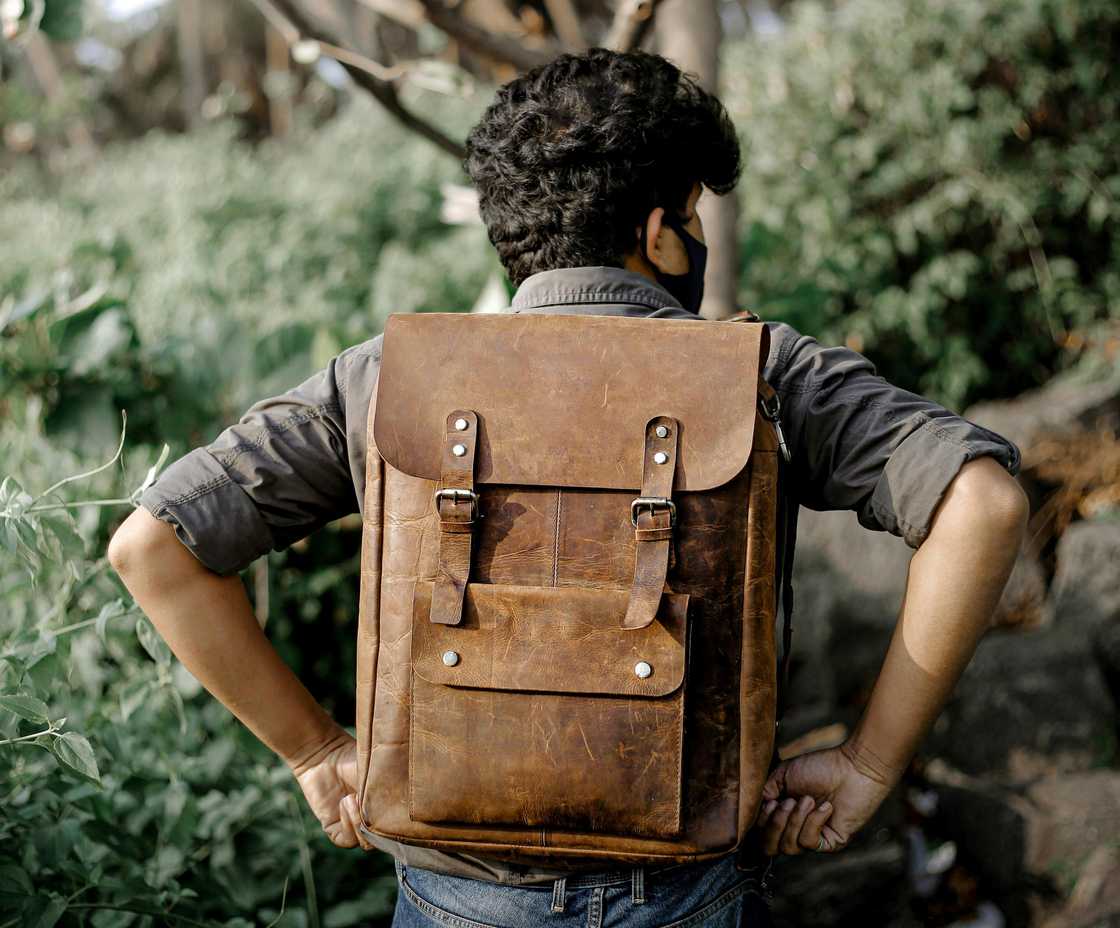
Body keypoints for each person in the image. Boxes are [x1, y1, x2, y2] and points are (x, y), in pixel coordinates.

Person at [107, 48, 1028, 928]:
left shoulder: (386, 380)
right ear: (658, 232)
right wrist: (869, 765)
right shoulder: (765, 371)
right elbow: (981, 504)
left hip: (453, 895)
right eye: (695, 214)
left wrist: (314, 751)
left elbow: (153, 547)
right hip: (687, 887)